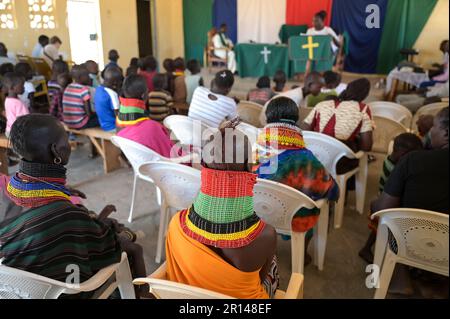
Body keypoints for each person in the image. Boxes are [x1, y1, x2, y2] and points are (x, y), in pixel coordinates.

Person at [0, 114, 149, 298]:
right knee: (131, 246)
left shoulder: (5, 189)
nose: (69, 145)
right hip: (60, 290)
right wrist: (107, 227)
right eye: (65, 140)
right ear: (56, 151)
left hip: (15, 290)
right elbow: (101, 245)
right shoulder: (64, 214)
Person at [165, 122, 278, 299]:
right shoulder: (266, 235)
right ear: (251, 167)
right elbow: (260, 281)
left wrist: (217, 139)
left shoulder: (176, 224)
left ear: (204, 165)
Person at [359, 108, 449, 294]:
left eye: (434, 126)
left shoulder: (413, 160)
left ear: (446, 132)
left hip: (414, 241)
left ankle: (400, 275)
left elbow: (383, 208)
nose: (431, 131)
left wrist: (374, 205)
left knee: (386, 215)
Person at [256, 97, 339, 263]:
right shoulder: (305, 158)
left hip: (255, 211)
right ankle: (303, 253)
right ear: (296, 121)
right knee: (322, 202)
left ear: (267, 118)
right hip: (291, 217)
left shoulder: (256, 148)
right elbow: (331, 190)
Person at [301, 78, 373, 174]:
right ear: (365, 95)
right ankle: (344, 186)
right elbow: (367, 146)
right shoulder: (363, 109)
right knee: (355, 148)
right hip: (338, 164)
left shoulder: (322, 104)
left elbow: (304, 132)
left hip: (313, 158)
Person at [116, 74, 175, 158]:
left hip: (138, 163)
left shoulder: (119, 122)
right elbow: (169, 154)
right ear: (144, 96)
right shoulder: (152, 126)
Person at [260, 72, 324, 126]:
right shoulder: (296, 97)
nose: (320, 90)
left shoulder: (304, 97)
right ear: (310, 85)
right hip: (268, 121)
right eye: (319, 87)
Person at [62, 65, 98, 129]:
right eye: (87, 75)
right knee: (102, 118)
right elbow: (88, 114)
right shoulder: (83, 89)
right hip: (80, 124)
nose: (89, 77)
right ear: (80, 77)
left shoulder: (68, 87)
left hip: (68, 122)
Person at [95, 66, 123, 132]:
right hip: (112, 127)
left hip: (103, 124)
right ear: (115, 84)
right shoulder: (112, 94)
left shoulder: (99, 89)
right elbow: (119, 116)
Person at [2, 72, 29, 137]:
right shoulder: (18, 103)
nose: (24, 87)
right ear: (12, 87)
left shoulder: (7, 100)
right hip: (17, 134)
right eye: (22, 85)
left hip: (9, 131)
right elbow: (22, 121)